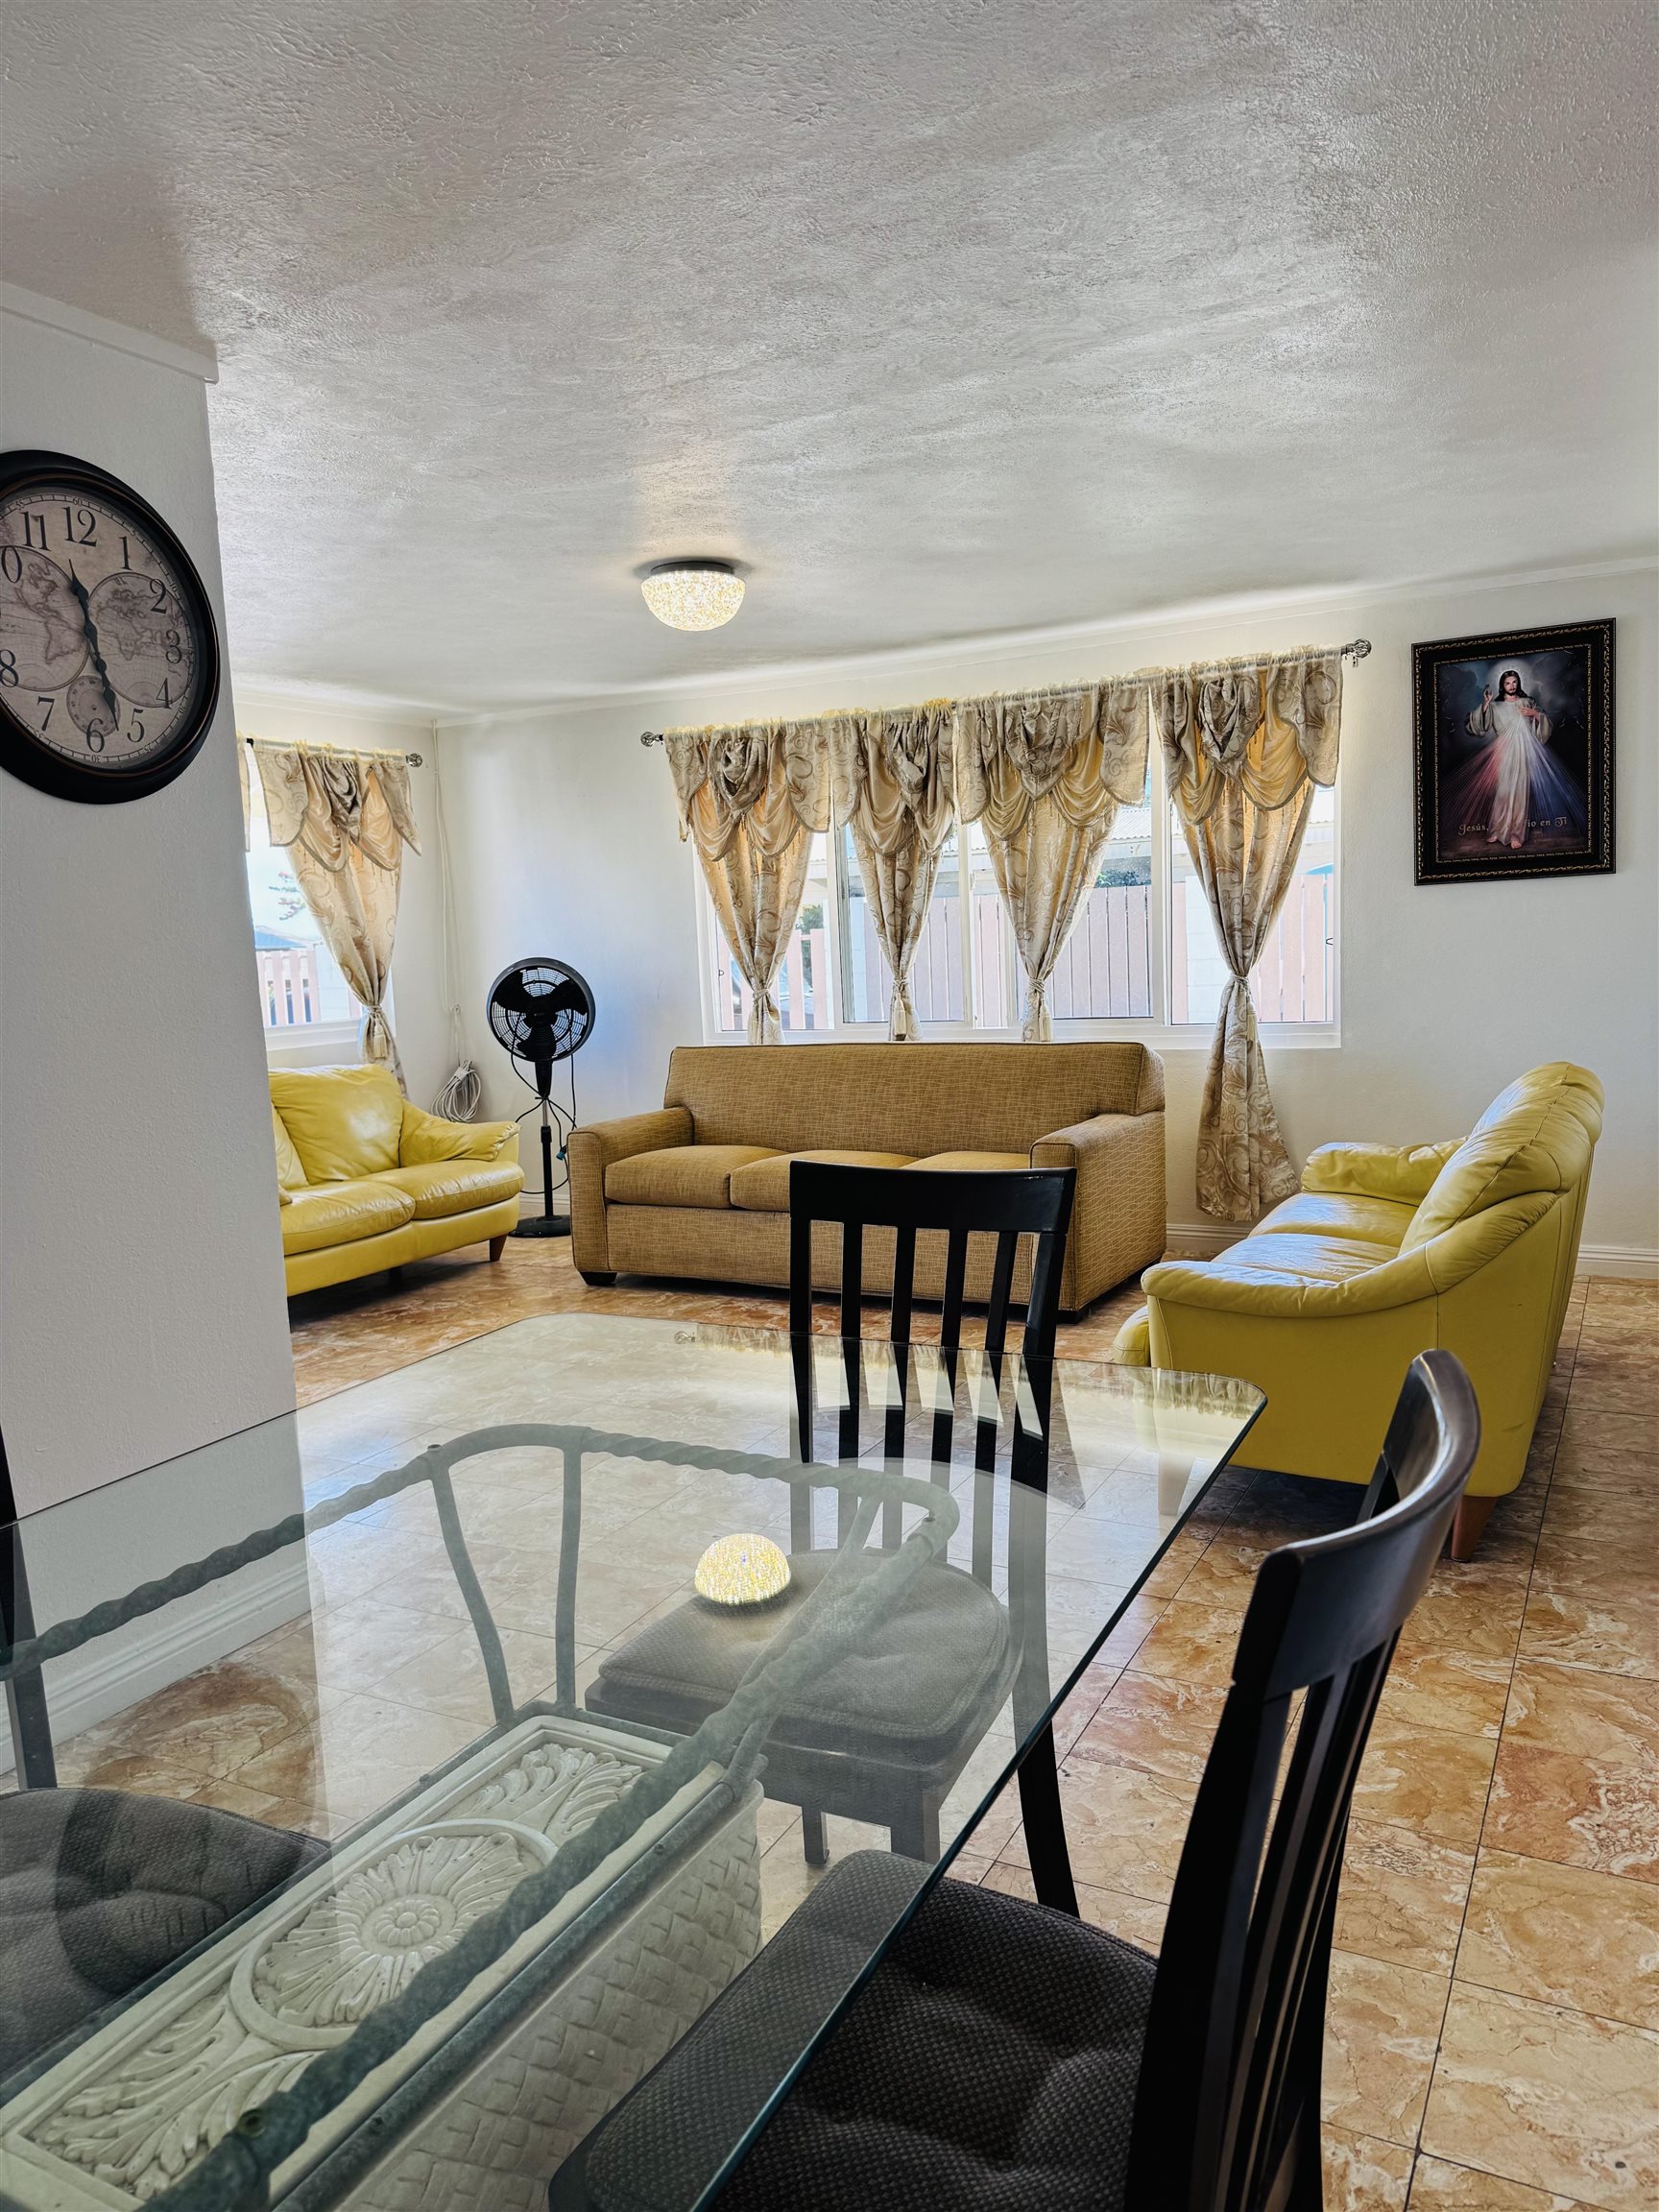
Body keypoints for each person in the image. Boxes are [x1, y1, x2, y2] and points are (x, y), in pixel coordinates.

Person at [1466, 668, 1551, 849]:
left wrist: (1535, 714)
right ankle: (1497, 830)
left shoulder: (1528, 702)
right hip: (1503, 751)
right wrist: (1485, 705)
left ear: (1518, 683)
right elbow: (1480, 726)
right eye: (1507, 683)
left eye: (1514, 682)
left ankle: (1516, 834)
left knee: (1520, 791)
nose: (1511, 686)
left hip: (1523, 750)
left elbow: (1544, 723)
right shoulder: (1495, 706)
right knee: (1503, 791)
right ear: (1502, 685)